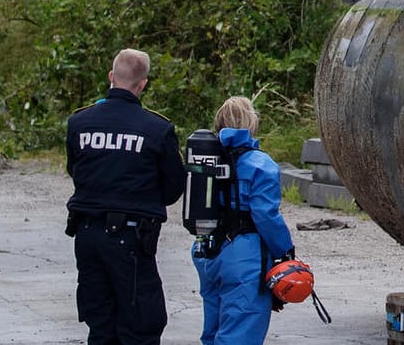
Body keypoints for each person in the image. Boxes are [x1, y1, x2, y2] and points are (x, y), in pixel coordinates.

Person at [65, 47, 186, 345]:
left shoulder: (80, 123)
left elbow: (75, 170)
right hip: (130, 240)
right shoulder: (157, 129)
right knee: (141, 325)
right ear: (143, 84)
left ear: (111, 77)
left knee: (101, 324)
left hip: (87, 235)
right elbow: (173, 188)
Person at [191, 96, 295, 345]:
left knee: (214, 331)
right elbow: (266, 216)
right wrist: (285, 252)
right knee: (240, 332)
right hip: (244, 257)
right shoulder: (261, 164)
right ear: (252, 123)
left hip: (207, 251)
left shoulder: (205, 159)